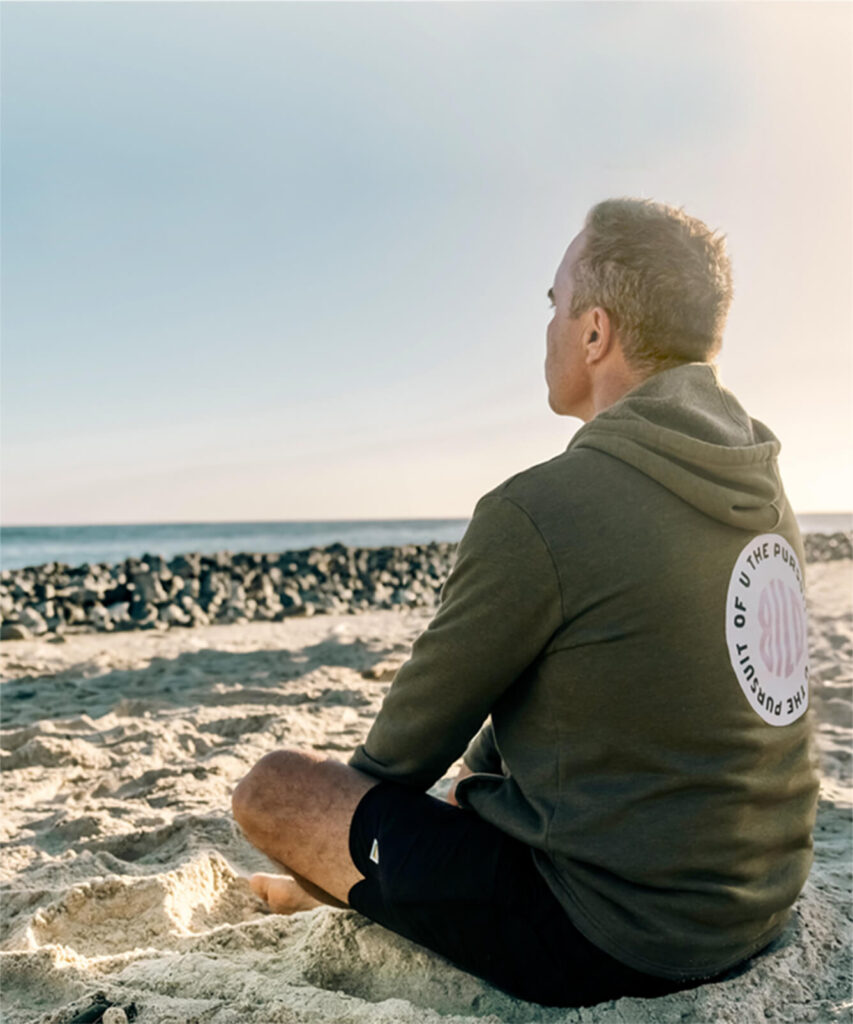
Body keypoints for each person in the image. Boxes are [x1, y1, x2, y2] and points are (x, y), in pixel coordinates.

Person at [232, 197, 819, 1007]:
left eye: (554, 302)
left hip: (612, 940)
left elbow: (392, 767)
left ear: (593, 332)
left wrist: (352, 848)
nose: (546, 325)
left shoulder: (540, 510)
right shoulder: (760, 490)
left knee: (278, 788)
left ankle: (330, 894)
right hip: (754, 907)